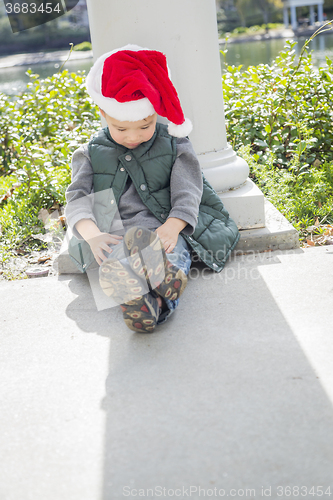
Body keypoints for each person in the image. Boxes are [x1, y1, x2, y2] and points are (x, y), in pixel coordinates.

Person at [65, 44, 240, 334]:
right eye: (121, 129)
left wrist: (173, 226)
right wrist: (93, 236)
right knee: (115, 257)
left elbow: (189, 189)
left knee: (171, 252)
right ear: (104, 114)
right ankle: (145, 300)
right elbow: (78, 198)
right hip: (115, 232)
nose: (133, 136)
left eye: (144, 126)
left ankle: (156, 287)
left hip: (162, 228)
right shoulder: (91, 152)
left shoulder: (173, 143)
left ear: (154, 114)